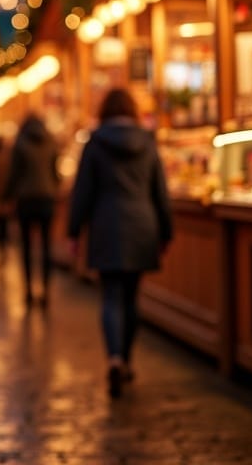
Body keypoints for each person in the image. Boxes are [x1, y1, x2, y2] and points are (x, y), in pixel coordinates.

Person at [67, 88, 171, 398]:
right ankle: (126, 359)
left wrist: (74, 232)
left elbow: (82, 190)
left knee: (111, 296)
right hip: (142, 224)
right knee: (132, 296)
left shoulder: (94, 142)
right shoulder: (148, 141)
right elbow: (160, 190)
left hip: (106, 225)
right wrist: (166, 231)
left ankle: (113, 358)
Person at [3, 113, 60, 306]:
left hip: (26, 199)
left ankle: (28, 289)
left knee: (26, 246)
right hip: (47, 198)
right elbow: (56, 172)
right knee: (46, 247)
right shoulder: (51, 142)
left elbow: (14, 174)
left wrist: (7, 195)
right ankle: (45, 290)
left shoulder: (20, 143)